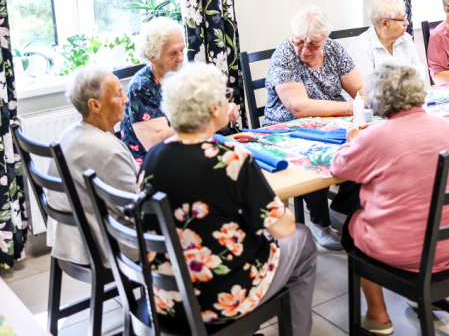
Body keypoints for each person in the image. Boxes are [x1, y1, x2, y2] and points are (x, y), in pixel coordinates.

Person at [138, 62, 316, 336]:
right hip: (218, 299)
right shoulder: (230, 157)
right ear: (213, 108)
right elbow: (283, 228)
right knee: (303, 239)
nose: (228, 101)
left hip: (165, 298)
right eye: (225, 95)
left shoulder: (152, 157)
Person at [331, 63, 449, 334]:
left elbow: (340, 168)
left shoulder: (376, 135)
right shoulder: (442, 126)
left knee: (351, 226)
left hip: (410, 250)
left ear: (380, 99)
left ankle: (378, 315)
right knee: (420, 203)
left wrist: (353, 140)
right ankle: (434, 298)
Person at [264, 6, 365, 251]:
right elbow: (299, 107)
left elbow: (361, 88)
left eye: (313, 45)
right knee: (315, 156)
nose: (304, 50)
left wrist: (362, 102)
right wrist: (351, 107)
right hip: (288, 129)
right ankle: (320, 222)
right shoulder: (284, 55)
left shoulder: (334, 50)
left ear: (325, 39)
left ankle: (340, 211)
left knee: (367, 146)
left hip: (331, 124)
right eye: (299, 42)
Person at [46, 68, 138, 266]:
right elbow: (137, 210)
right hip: (110, 245)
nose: (126, 99)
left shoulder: (69, 133)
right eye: (118, 94)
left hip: (73, 239)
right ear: (95, 105)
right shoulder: (107, 150)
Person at [120, 17, 240, 164]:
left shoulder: (182, 76)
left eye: (182, 50)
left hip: (189, 152)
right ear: (152, 56)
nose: (181, 58)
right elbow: (156, 144)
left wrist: (224, 110)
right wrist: (211, 119)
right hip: (159, 166)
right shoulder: (140, 88)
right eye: (172, 53)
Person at [348, 0, 428, 85]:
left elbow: (418, 78)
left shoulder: (406, 38)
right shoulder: (361, 49)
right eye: (402, 19)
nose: (407, 23)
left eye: (405, 17)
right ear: (385, 24)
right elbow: (366, 89)